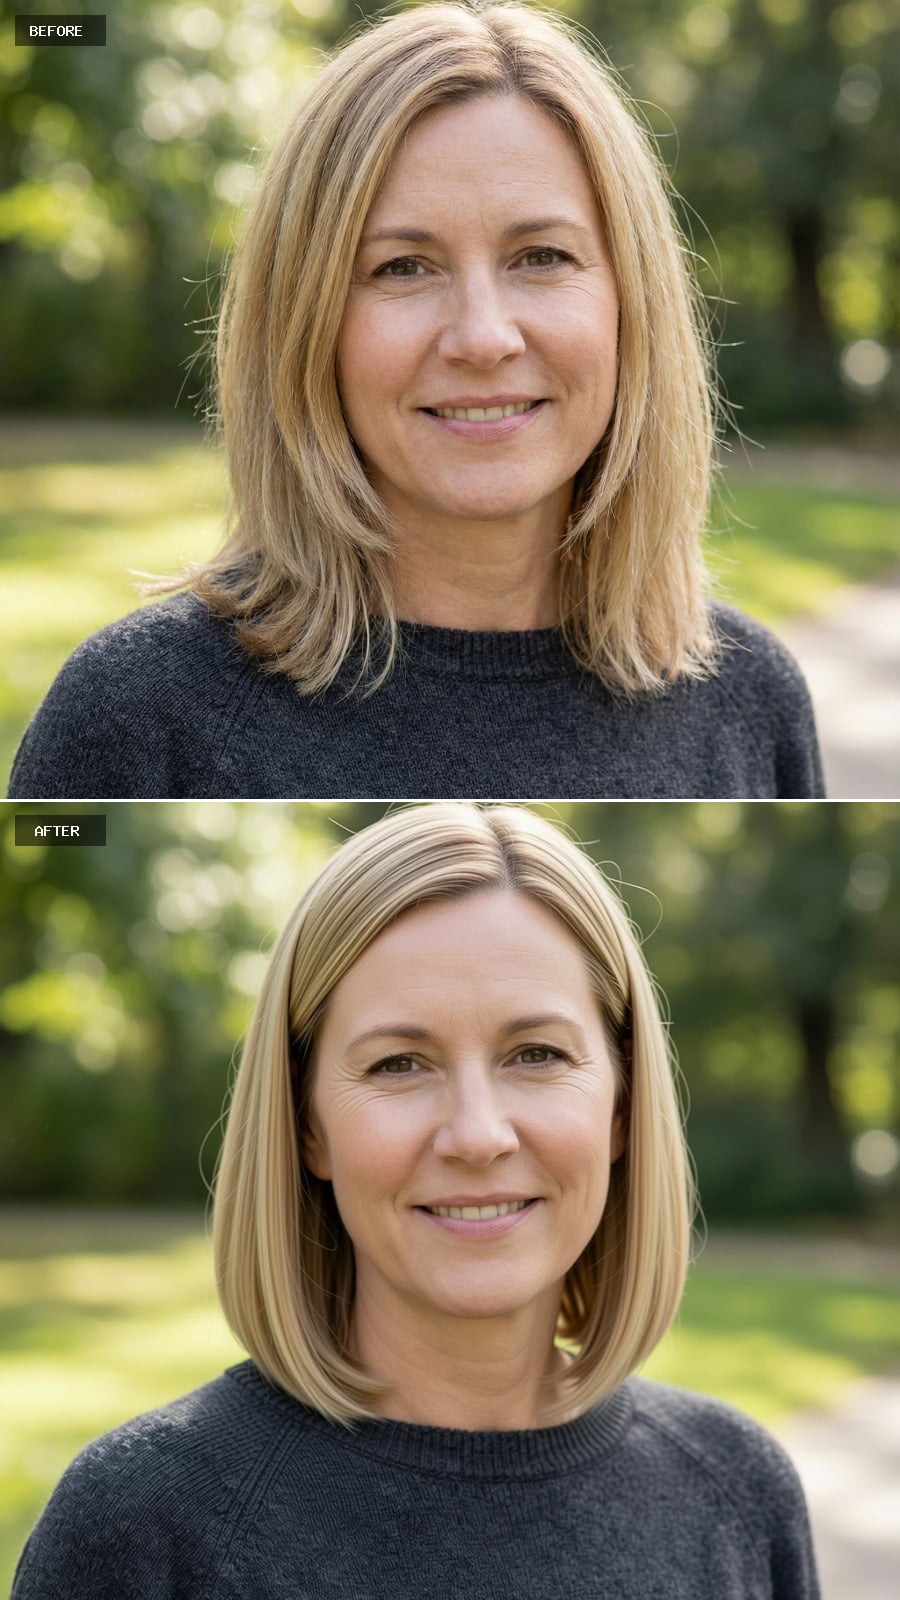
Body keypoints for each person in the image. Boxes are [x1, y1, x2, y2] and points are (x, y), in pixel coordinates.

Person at [8, 2, 822, 800]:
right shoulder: (138, 718)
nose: (482, 336)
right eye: (403, 267)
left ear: (629, 302)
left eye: (540, 256)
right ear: (304, 322)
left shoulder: (752, 703)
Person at [13, 803, 821, 1598]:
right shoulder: (142, 1525)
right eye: (399, 1064)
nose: (477, 1135)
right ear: (307, 1127)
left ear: (621, 1104)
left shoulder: (737, 1494)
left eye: (536, 1053)